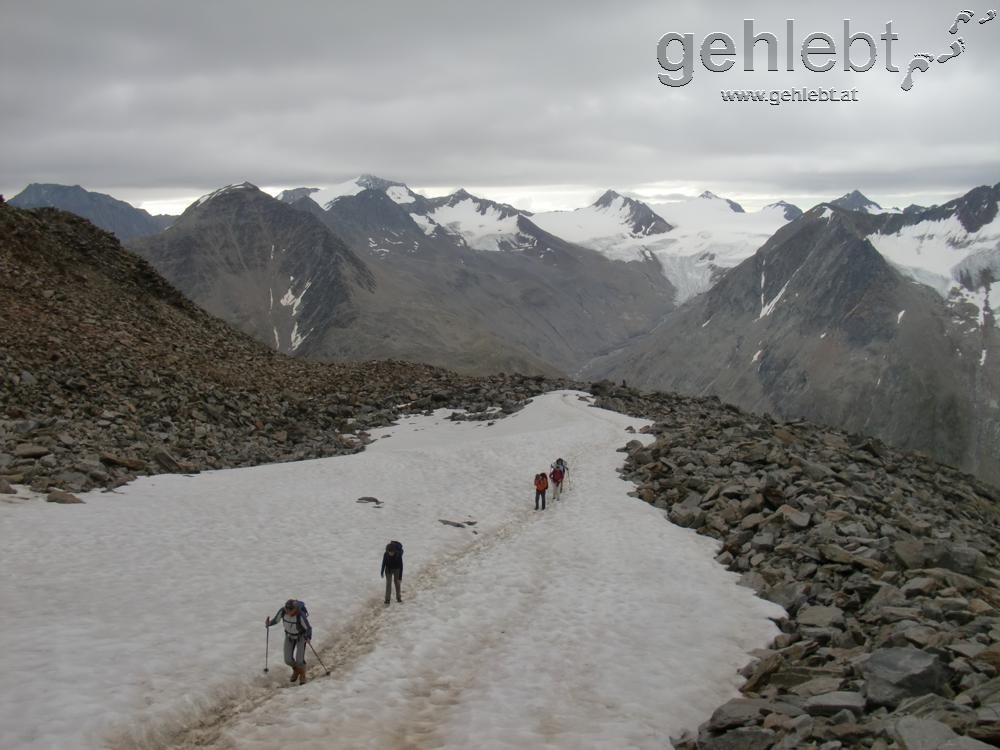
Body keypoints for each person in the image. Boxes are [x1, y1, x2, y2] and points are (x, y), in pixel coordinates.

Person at [266, 599, 312, 684]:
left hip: (301, 637)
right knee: (287, 660)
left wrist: (308, 637)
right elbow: (276, 620)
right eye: (287, 609)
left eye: (291, 609)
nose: (288, 611)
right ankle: (296, 670)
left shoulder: (300, 615)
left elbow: (308, 628)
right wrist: (269, 623)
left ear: (295, 609)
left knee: (299, 660)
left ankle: (302, 674)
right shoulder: (283, 611)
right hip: (289, 636)